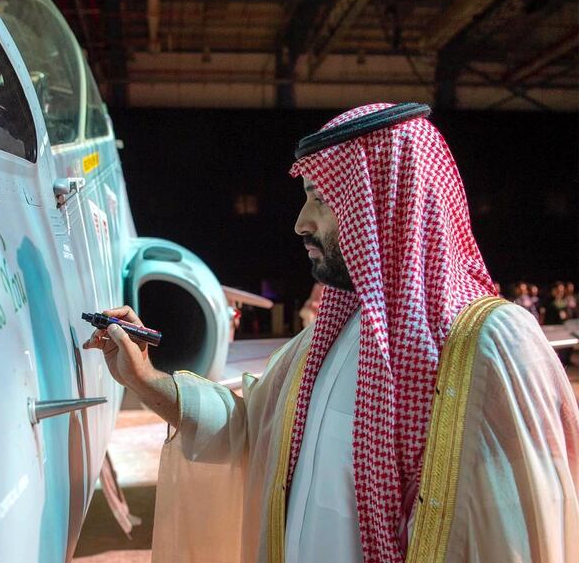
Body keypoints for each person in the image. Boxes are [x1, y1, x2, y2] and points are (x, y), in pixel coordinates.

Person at [85, 103, 579, 563]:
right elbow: (247, 431)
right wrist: (143, 378)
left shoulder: (496, 345)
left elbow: (533, 531)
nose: (301, 223)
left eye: (322, 200)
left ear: (386, 202)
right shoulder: (320, 346)